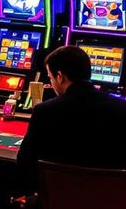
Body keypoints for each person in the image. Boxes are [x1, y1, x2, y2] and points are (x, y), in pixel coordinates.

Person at [17, 45, 126, 184]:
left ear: (60, 77)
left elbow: (24, 163)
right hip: (111, 199)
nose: (51, 82)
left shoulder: (44, 110)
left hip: (57, 199)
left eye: (50, 78)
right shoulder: (122, 108)